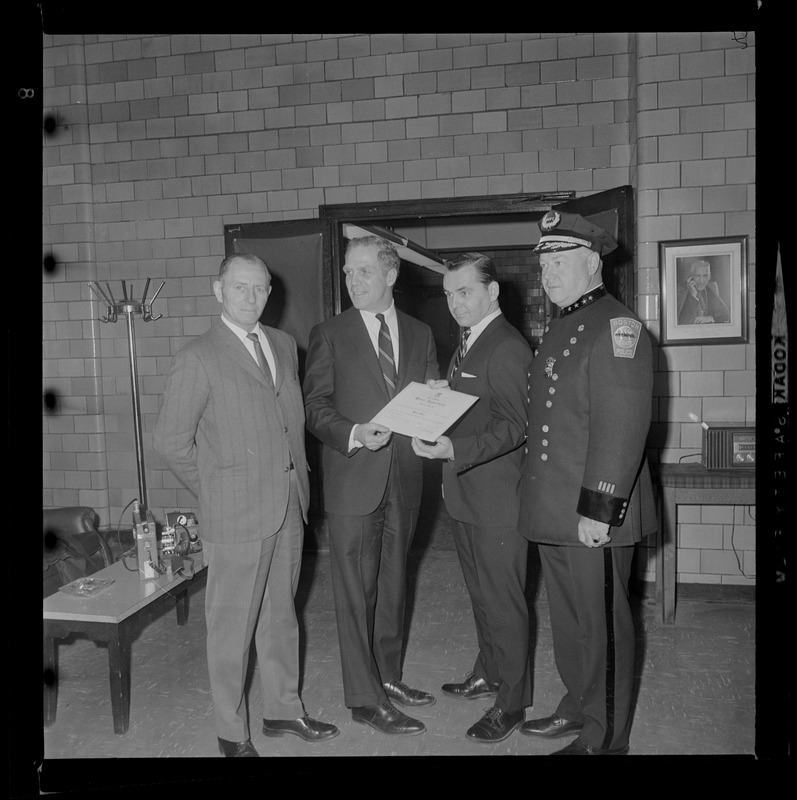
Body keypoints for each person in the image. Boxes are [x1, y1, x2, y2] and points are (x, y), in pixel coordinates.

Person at [154, 253, 338, 757]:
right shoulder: (198, 356)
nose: (252, 297)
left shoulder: (282, 345)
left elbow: (287, 425)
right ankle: (232, 732)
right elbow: (172, 443)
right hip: (234, 515)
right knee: (232, 629)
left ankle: (283, 710)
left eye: (260, 289)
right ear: (219, 291)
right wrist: (216, 489)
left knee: (282, 616)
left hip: (287, 507)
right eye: (240, 288)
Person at [518, 211, 656, 756]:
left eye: (559, 261)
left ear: (592, 262)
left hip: (593, 511)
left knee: (604, 628)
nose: (548, 274)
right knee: (573, 621)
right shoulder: (567, 322)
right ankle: (580, 705)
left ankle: (606, 738)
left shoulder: (617, 326)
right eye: (544, 263)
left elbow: (621, 426)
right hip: (556, 507)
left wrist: (599, 509)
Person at [303, 235, 439, 736]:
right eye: (348, 272)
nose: (352, 281)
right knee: (354, 591)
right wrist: (355, 433)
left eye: (363, 272)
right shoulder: (330, 334)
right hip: (353, 478)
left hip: (405, 476)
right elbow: (314, 407)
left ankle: (388, 676)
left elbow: (431, 393)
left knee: (393, 582)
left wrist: (436, 413)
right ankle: (364, 697)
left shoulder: (422, 332)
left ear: (391, 275)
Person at [412, 253, 532, 743]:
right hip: (465, 495)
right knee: (482, 597)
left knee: (505, 603)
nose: (455, 303)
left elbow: (515, 427)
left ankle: (512, 702)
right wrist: (440, 397)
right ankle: (489, 670)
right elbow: (478, 408)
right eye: (448, 294)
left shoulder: (506, 347)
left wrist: (454, 447)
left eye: (464, 292)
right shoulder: (468, 342)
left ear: (493, 292)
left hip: (498, 501)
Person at [677, 259, 730, 324]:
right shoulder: (681, 291)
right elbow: (683, 322)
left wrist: (710, 318)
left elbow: (726, 316)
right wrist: (693, 296)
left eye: (705, 276)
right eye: (697, 276)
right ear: (691, 276)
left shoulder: (711, 289)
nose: (701, 281)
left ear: (709, 276)